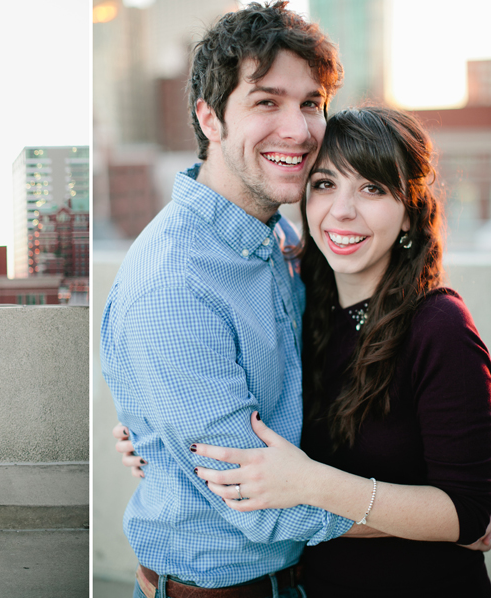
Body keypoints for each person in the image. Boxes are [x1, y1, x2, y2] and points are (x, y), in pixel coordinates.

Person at [101, 2, 355, 596]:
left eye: (310, 103)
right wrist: (436, 515)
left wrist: (152, 434)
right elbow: (260, 506)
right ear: (209, 118)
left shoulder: (279, 237)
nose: (298, 129)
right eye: (266, 101)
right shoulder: (175, 285)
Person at [183, 107, 491, 596]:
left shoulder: (439, 328)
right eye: (325, 184)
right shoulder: (297, 303)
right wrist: (157, 430)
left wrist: (311, 483)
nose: (342, 210)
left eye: (372, 188)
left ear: (409, 210)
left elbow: (471, 515)